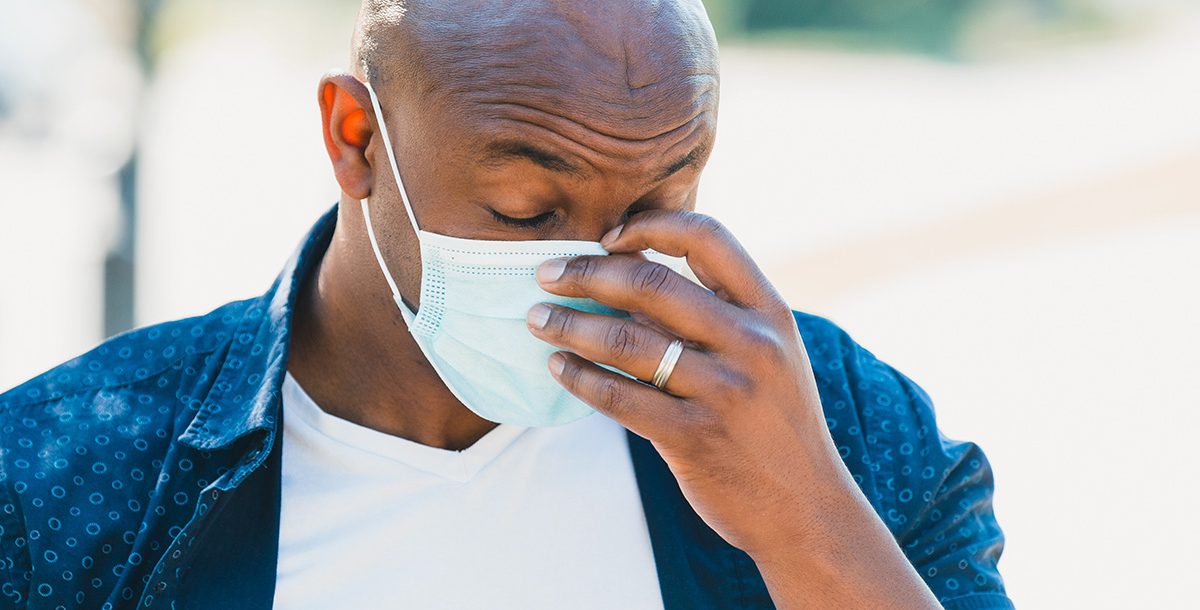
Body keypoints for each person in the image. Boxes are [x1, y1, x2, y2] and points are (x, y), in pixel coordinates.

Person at [0, 1, 1014, 608]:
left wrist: (809, 525)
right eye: (528, 210)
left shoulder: (842, 430)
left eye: (657, 203)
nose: (600, 271)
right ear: (356, 139)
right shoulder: (65, 477)